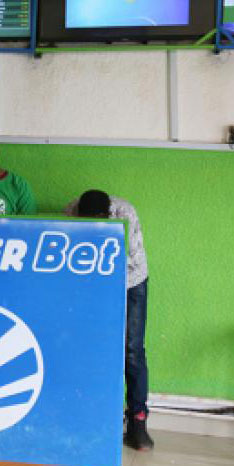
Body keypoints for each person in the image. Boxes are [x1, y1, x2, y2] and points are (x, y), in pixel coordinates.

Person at [65, 189, 153, 451]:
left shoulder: (125, 213)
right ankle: (98, 418)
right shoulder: (71, 212)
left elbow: (129, 259)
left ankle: (138, 422)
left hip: (130, 280)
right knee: (90, 346)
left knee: (132, 350)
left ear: (107, 214)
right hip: (91, 279)